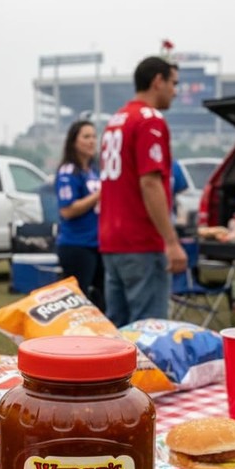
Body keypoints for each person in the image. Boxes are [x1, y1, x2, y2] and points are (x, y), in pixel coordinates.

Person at [98, 56, 187, 327]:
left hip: (112, 241)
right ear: (157, 81)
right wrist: (171, 242)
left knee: (119, 336)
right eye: (173, 83)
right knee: (149, 334)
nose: (175, 90)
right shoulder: (149, 119)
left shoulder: (116, 120)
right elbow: (150, 182)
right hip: (141, 242)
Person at [55, 120, 104, 309]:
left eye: (94, 136)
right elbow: (67, 210)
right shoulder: (68, 171)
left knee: (101, 300)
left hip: (98, 243)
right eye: (86, 137)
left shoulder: (94, 170)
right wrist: (98, 195)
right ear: (74, 142)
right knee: (78, 303)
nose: (92, 141)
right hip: (77, 245)